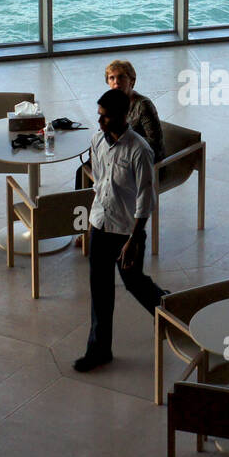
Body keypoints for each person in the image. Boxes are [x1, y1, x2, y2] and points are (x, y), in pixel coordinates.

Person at [74, 88, 168, 373]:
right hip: (101, 224)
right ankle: (99, 349)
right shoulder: (96, 141)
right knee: (100, 290)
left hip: (127, 231)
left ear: (123, 116)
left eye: (105, 117)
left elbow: (146, 199)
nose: (100, 122)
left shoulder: (140, 150)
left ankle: (169, 310)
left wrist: (134, 240)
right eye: (99, 116)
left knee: (133, 281)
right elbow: (100, 181)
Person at [76, 58, 165, 189]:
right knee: (83, 170)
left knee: (107, 177)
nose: (116, 82)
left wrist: (121, 142)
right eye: (111, 78)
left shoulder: (143, 105)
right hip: (120, 156)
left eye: (121, 77)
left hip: (142, 162)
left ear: (132, 81)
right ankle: (86, 208)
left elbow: (155, 144)